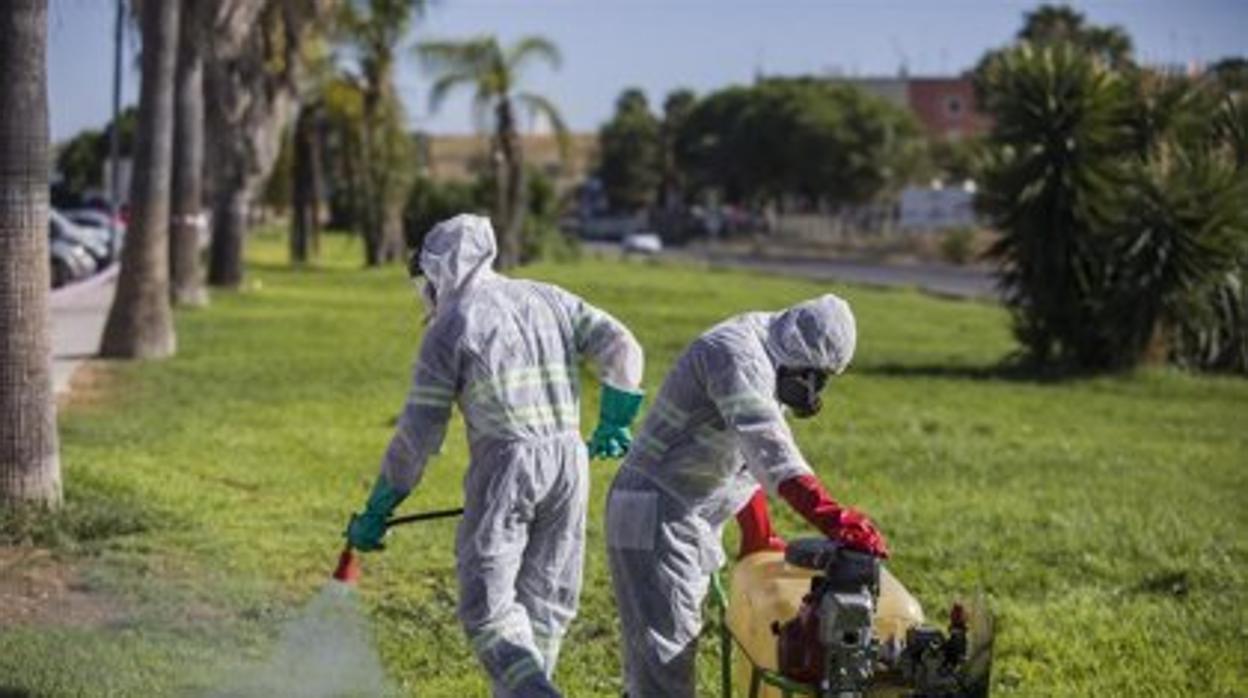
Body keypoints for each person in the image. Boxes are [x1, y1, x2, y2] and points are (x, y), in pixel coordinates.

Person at [345, 214, 645, 697]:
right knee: (546, 604)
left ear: (440, 269)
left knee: (487, 612)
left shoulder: (450, 328)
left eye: (426, 279)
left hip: (506, 466)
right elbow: (622, 344)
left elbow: (417, 436)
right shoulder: (549, 297)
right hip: (569, 462)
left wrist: (381, 505)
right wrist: (616, 416)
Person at [605, 294, 888, 697]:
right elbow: (771, 452)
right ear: (799, 356)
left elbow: (742, 457)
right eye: (816, 377)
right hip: (655, 513)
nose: (816, 391)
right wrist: (835, 518)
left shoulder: (773, 353)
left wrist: (757, 532)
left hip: (683, 513)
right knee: (664, 663)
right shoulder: (736, 355)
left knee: (665, 654)